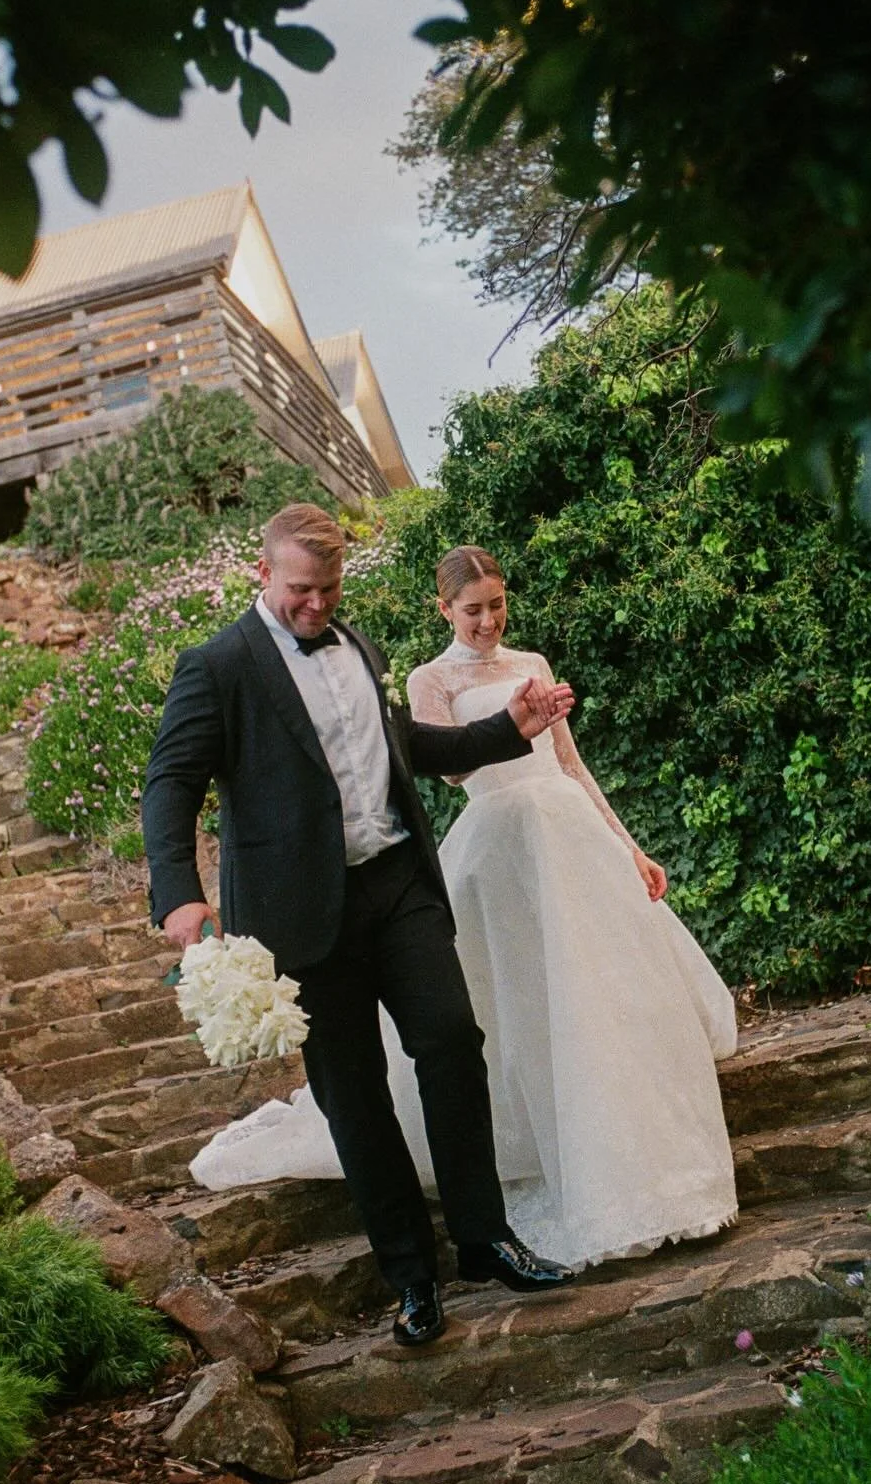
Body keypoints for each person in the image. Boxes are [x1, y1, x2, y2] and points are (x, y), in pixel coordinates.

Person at [192, 544, 739, 1272]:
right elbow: (444, 763)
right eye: (472, 608)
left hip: (524, 848)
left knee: (541, 1018)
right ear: (444, 609)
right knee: (420, 1056)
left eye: (497, 605)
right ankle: (444, 1250)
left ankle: (574, 1201)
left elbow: (566, 764)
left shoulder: (496, 658)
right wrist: (513, 722)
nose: (487, 619)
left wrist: (624, 841)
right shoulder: (396, 674)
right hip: (442, 864)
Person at [142, 505, 577, 1350]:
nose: (317, 606)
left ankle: (485, 1239)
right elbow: (170, 783)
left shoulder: (361, 645)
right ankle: (412, 1277)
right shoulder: (218, 666)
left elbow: (402, 745)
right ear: (262, 576)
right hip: (300, 917)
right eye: (302, 590)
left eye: (330, 588)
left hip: (397, 884)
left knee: (452, 1040)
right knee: (353, 1095)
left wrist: (505, 731)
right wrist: (179, 897)